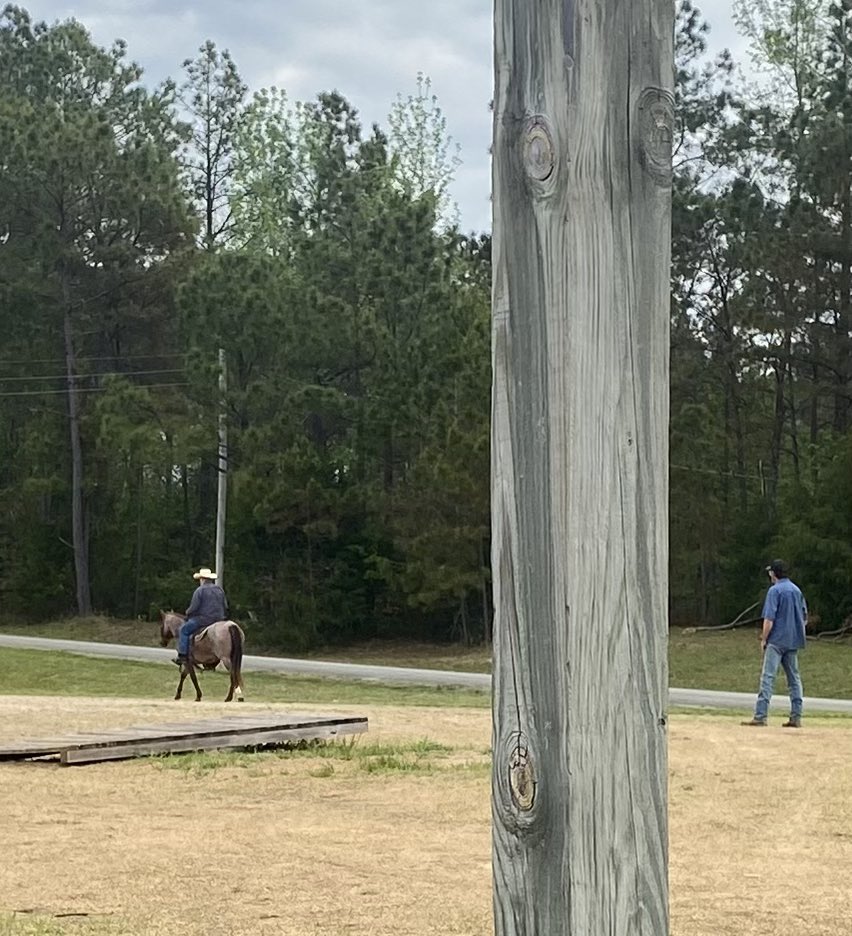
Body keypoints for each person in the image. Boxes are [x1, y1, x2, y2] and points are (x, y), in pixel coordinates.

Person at [742, 559, 808, 728]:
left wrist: (764, 638)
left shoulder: (774, 591)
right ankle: (796, 716)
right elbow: (804, 617)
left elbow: (769, 619)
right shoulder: (796, 590)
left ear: (773, 573)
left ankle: (761, 715)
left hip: (776, 640)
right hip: (793, 640)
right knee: (794, 679)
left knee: (768, 677)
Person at [173, 567, 229, 667]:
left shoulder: (200, 590)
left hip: (204, 620)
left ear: (202, 579)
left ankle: (182, 656)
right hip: (219, 620)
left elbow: (194, 608)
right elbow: (225, 606)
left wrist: (187, 613)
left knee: (183, 630)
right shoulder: (220, 590)